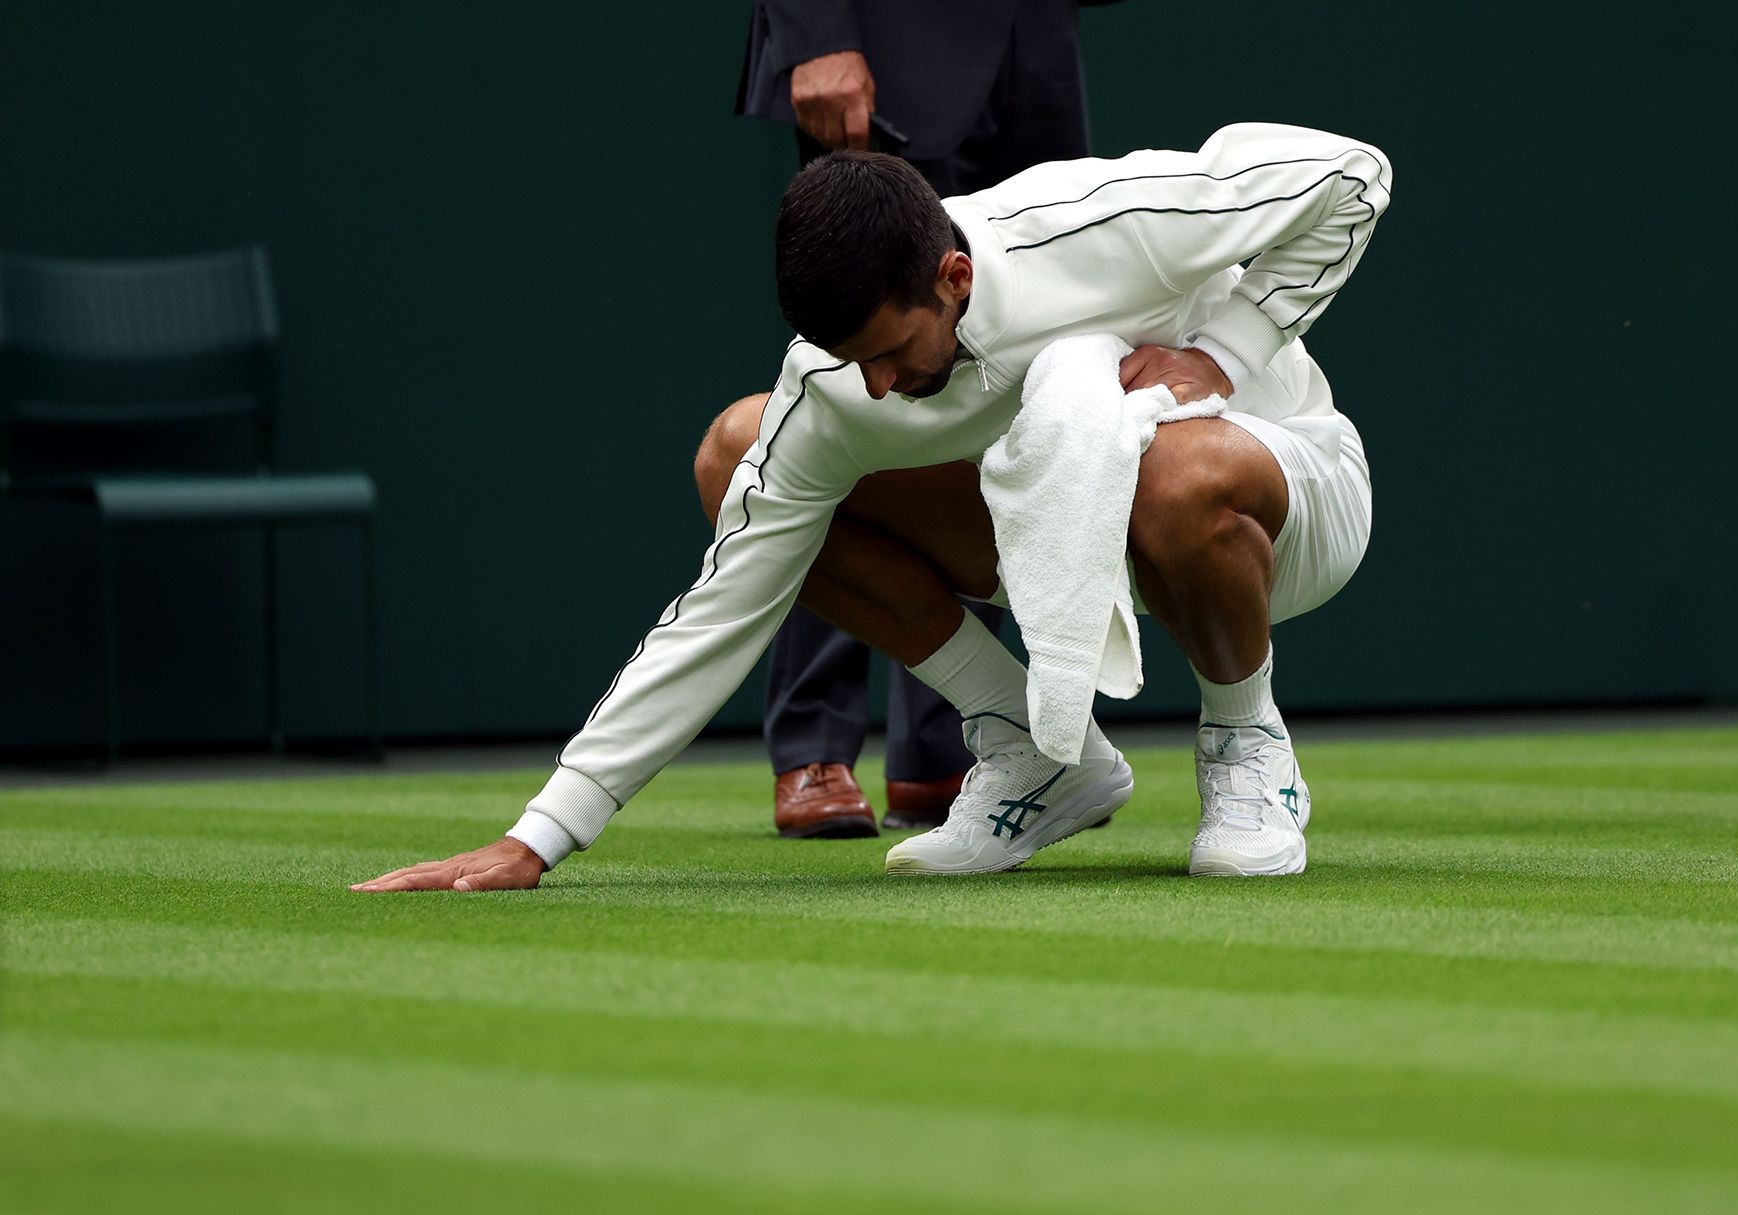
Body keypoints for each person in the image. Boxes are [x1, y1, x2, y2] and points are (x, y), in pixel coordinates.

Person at [352, 122, 1391, 893]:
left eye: (893, 353)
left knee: (1172, 474)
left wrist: (1225, 352)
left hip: (1283, 503)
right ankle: (1028, 751)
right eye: (856, 365)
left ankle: (1244, 739)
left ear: (950, 275)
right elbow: (723, 609)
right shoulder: (837, 385)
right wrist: (540, 835)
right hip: (1052, 530)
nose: (878, 388)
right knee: (735, 452)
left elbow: (1351, 174)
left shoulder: (1097, 223)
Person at [738, 0, 1105, 839]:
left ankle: (946, 745)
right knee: (863, 372)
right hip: (888, 37)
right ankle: (814, 743)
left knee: (1006, 363)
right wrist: (816, 33)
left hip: (1034, 33)